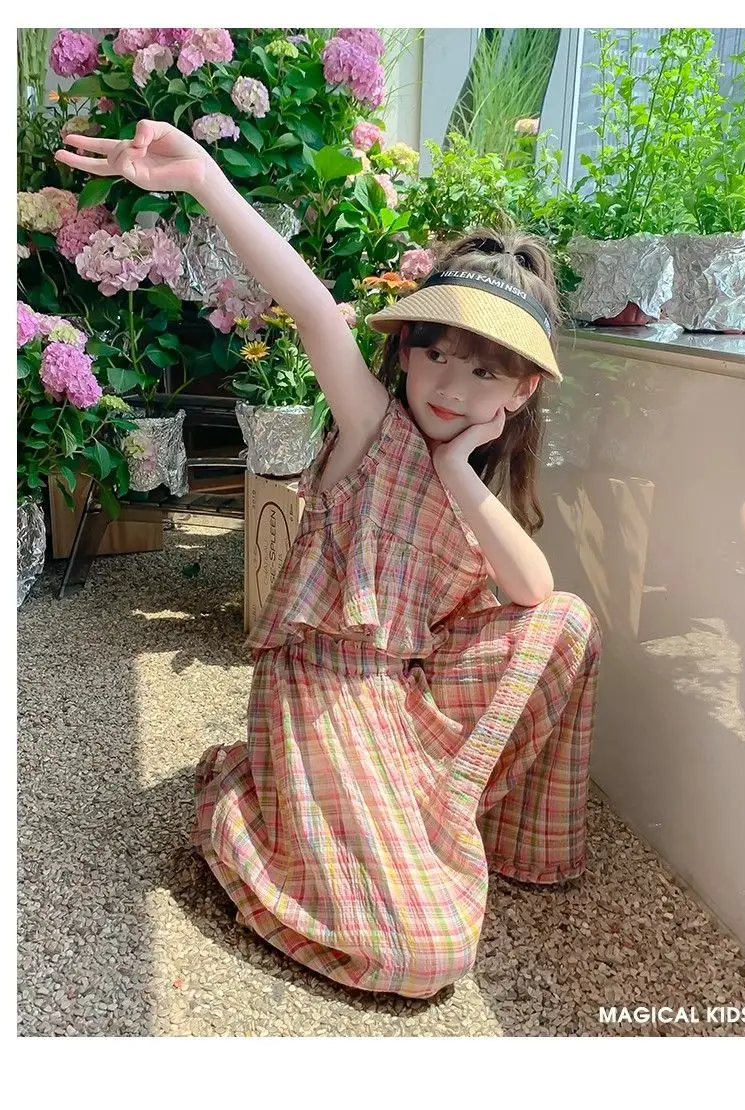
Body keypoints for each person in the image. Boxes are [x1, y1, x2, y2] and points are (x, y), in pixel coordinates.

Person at [56, 120, 601, 999]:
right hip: (323, 690)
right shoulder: (371, 424)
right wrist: (204, 180)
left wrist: (458, 471)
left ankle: (468, 831)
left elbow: (535, 592)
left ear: (523, 388)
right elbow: (311, 306)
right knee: (427, 955)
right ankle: (240, 810)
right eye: (436, 354)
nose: (450, 385)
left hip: (403, 695)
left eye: (484, 373)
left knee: (566, 622)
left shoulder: (467, 476)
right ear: (406, 350)